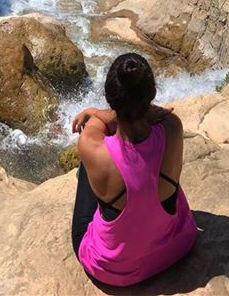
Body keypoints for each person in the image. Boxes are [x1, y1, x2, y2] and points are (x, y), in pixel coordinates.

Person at [70, 53, 197, 287]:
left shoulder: (91, 142)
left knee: (88, 166)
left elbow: (102, 120)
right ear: (151, 95)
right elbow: (146, 111)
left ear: (110, 98)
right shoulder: (172, 126)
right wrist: (143, 110)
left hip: (112, 269)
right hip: (175, 248)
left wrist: (92, 110)